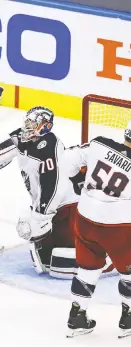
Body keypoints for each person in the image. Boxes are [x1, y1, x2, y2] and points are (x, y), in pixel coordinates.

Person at [0, 106, 114, 278]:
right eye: (27, 121)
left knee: (62, 267)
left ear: (44, 126)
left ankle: (110, 257)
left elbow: (53, 186)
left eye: (32, 122)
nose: (27, 126)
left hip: (71, 211)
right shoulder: (24, 138)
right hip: (56, 209)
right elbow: (2, 148)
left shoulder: (50, 148)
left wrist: (41, 216)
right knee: (46, 260)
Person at [64, 124, 131, 339]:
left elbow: (67, 161)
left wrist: (79, 183)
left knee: (87, 268)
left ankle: (77, 316)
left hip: (85, 220)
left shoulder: (99, 144)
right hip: (118, 228)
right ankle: (128, 319)